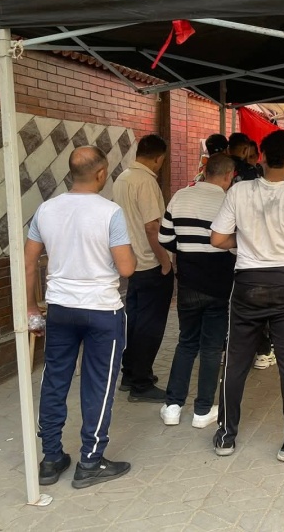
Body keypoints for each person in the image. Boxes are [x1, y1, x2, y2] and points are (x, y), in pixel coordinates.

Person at [26, 146, 136, 489]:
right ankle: (90, 461)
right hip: (102, 310)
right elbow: (126, 268)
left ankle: (51, 458)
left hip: (60, 308)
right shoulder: (110, 212)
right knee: (98, 384)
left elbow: (28, 262)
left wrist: (31, 308)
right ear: (101, 173)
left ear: (71, 172)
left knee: (54, 380)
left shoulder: (46, 210)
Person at [210, 129, 284, 462]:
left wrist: (244, 241)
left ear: (259, 157)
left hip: (248, 284)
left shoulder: (238, 191)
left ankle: (226, 437)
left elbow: (217, 239)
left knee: (236, 360)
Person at [157, 152, 236, 429]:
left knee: (186, 342)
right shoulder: (229, 201)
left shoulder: (180, 196)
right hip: (219, 284)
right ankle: (202, 411)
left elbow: (164, 237)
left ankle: (172, 407)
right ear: (228, 175)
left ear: (206, 170)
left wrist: (186, 251)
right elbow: (236, 244)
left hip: (188, 282)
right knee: (212, 348)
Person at [114, 134, 174, 403]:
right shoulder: (146, 182)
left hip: (132, 263)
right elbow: (152, 227)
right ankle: (141, 384)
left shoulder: (122, 178)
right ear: (159, 158)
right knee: (151, 326)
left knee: (135, 322)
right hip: (151, 264)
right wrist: (165, 262)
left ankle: (130, 374)